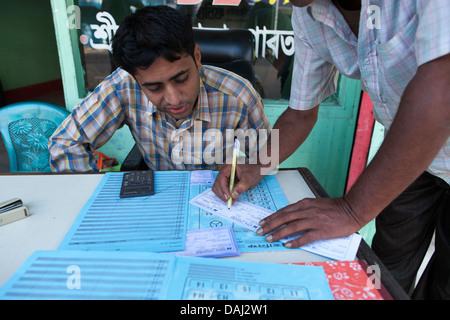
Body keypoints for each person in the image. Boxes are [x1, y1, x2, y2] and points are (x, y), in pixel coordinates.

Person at [212, 0, 449, 299]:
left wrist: (352, 209)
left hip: (432, 137)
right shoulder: (308, 14)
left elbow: (442, 88)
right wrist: (258, 164)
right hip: (410, 156)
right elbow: (300, 113)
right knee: (386, 267)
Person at [49, 5, 271, 172]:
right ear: (135, 79)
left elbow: (268, 158)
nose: (174, 99)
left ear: (197, 57)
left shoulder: (239, 94)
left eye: (182, 79)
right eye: (154, 88)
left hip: (214, 201)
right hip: (155, 203)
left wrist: (249, 172)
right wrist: (99, 199)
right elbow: (65, 144)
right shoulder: (122, 86)